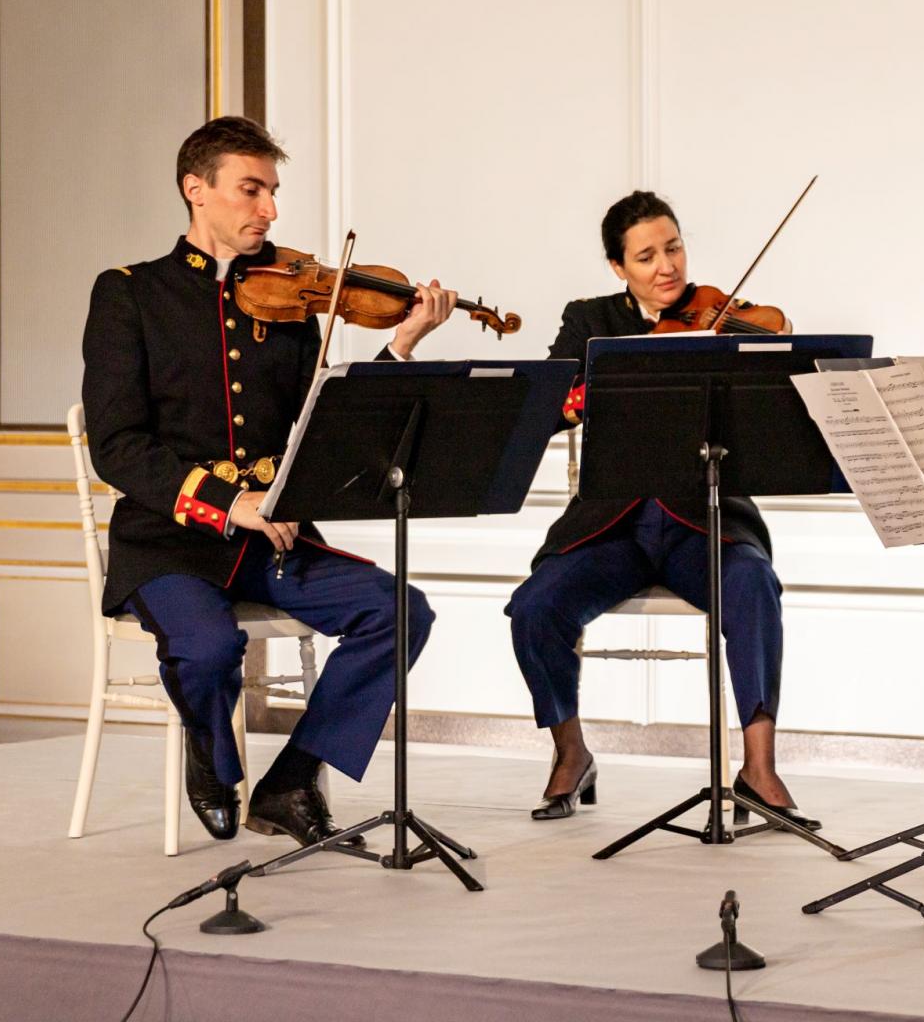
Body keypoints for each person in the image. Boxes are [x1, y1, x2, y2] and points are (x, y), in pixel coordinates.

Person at [82, 116, 457, 846]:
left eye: (273, 192)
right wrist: (231, 504)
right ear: (197, 190)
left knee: (401, 611)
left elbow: (326, 434)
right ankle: (214, 761)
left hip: (274, 537)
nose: (270, 210)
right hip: (170, 540)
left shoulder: (286, 301)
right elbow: (118, 448)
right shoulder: (129, 294)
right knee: (211, 648)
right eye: (252, 190)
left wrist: (400, 347)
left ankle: (289, 781)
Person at [504, 190, 816, 828]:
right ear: (619, 268)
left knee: (755, 583)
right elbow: (551, 397)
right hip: (611, 525)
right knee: (536, 606)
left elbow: (780, 380)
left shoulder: (719, 315)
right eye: (646, 256)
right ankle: (571, 754)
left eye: (673, 247)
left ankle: (759, 769)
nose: (667, 266)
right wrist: (593, 392)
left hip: (703, 518)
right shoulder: (590, 319)